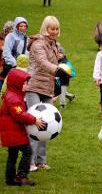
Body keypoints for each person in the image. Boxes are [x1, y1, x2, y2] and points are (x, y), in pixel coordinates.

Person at [26, 15, 70, 172]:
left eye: (57, 28)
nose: (55, 31)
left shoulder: (55, 44)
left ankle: (41, 161)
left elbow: (55, 64)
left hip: (47, 88)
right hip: (34, 86)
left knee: (48, 125)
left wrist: (62, 71)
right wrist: (57, 70)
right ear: (46, 28)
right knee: (34, 124)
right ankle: (29, 162)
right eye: (52, 28)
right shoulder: (38, 43)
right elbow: (42, 62)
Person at [0, 69, 45, 186]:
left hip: (11, 131)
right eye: (25, 83)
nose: (27, 85)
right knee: (27, 151)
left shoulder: (13, 95)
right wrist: (34, 120)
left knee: (13, 155)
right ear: (17, 83)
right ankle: (22, 176)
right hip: (13, 132)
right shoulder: (13, 98)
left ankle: (10, 179)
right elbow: (19, 114)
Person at [0, 17, 29, 91]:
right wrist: (16, 64)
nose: (23, 28)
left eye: (24, 26)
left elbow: (28, 54)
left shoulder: (27, 39)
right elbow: (6, 53)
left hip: (22, 69)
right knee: (6, 90)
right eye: (21, 26)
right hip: (12, 67)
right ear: (17, 26)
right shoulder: (10, 37)